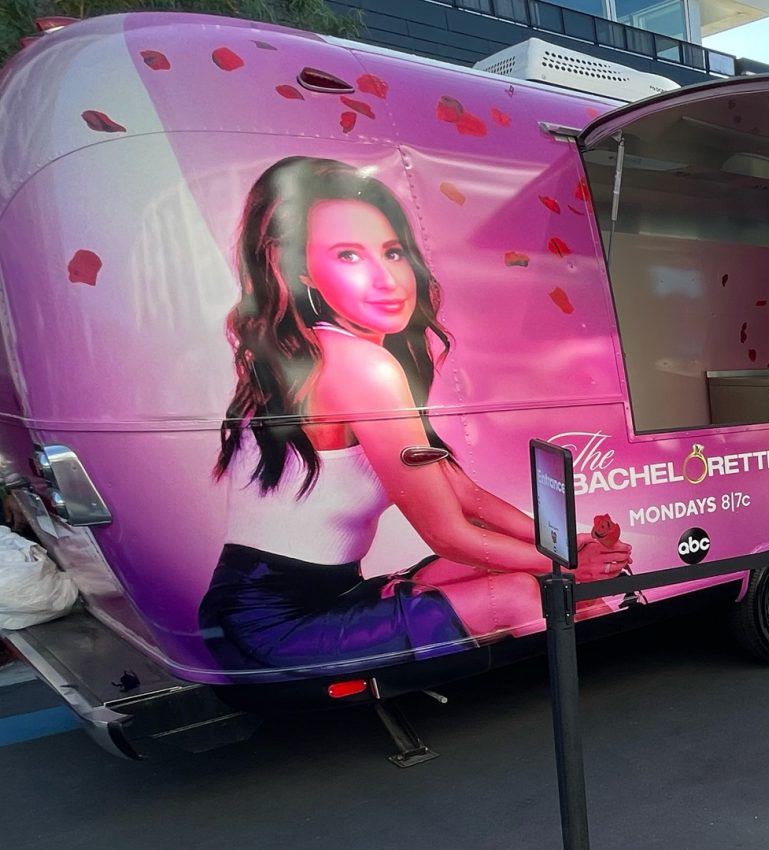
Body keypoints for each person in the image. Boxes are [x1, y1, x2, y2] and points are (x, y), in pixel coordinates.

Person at [199, 156, 630, 669]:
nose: (387, 279)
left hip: (327, 597)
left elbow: (465, 496)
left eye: (392, 252)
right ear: (300, 270)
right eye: (348, 256)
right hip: (270, 624)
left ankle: (607, 673)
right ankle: (609, 684)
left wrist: (562, 546)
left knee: (529, 575)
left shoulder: (326, 352)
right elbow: (447, 532)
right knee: (518, 591)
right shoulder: (359, 366)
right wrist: (569, 564)